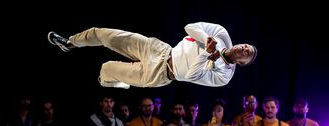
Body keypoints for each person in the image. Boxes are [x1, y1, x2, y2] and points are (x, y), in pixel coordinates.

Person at [48, 22, 257, 89]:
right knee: (105, 35)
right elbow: (190, 27)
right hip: (160, 50)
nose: (246, 48)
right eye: (247, 45)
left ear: (242, 63)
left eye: (248, 54)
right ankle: (70, 42)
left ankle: (118, 82)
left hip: (160, 74)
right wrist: (206, 39)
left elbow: (189, 76)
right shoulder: (221, 34)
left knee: (106, 69)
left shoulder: (224, 76)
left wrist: (207, 54)